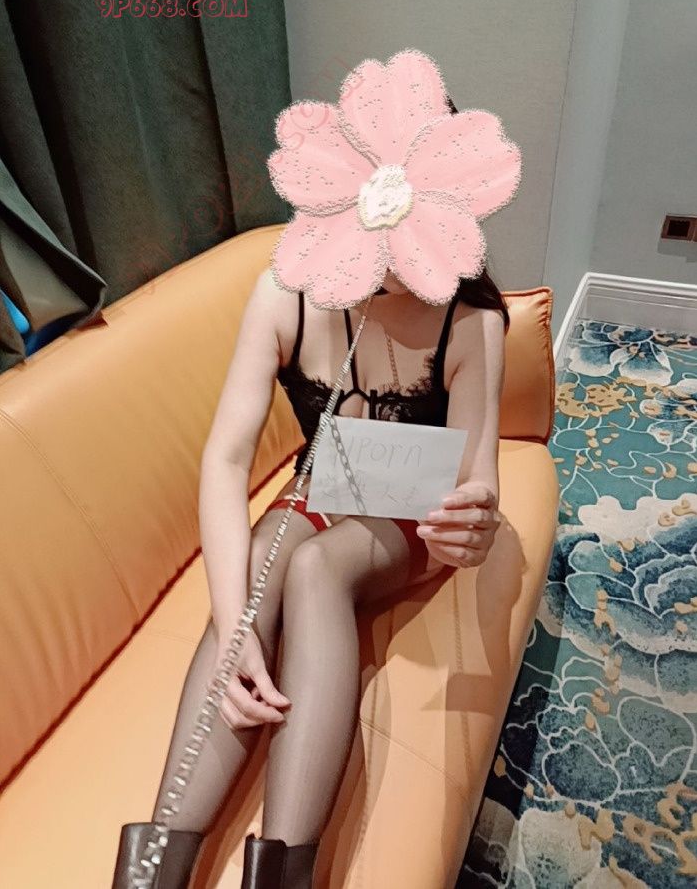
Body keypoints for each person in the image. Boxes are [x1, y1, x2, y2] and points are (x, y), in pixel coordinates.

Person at [111, 48, 519, 888]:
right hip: (319, 490)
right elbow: (226, 459)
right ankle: (150, 872)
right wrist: (235, 624)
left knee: (316, 568)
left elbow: (475, 487)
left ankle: (281, 875)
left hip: (405, 522)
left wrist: (471, 527)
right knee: (268, 556)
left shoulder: (472, 321)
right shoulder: (285, 293)